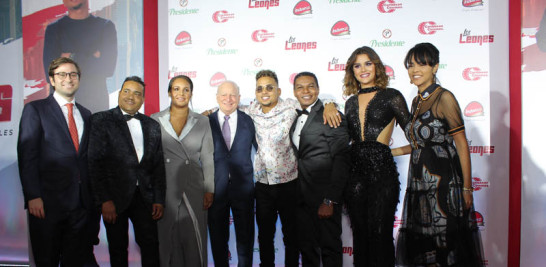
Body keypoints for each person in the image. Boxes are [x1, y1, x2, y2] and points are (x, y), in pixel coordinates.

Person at [393, 43, 484, 266]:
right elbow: (419, 144)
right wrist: (387, 152)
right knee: (425, 246)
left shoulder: (444, 98)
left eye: (422, 64)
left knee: (447, 244)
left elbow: (461, 144)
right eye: (411, 65)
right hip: (419, 184)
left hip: (444, 183)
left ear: (435, 67)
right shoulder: (416, 102)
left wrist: (467, 186)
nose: (415, 69)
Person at [17, 57, 96, 266]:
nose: (68, 79)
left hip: (80, 206)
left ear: (78, 79)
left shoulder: (86, 114)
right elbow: (28, 157)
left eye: (73, 74)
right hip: (47, 205)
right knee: (47, 260)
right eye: (61, 74)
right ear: (52, 80)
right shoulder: (35, 110)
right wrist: (33, 196)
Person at [342, 46, 411, 266]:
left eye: (368, 63)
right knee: (360, 235)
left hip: (382, 173)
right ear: (352, 70)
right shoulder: (350, 102)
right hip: (354, 175)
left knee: (380, 234)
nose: (363, 69)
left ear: (377, 66)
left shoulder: (392, 96)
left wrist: (387, 150)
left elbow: (416, 138)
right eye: (357, 65)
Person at [88, 76, 166, 267]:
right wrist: (104, 200)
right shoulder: (101, 120)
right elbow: (94, 163)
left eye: (137, 93)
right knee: (117, 248)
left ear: (143, 99)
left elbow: (158, 166)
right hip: (114, 198)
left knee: (150, 245)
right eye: (127, 91)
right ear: (119, 93)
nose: (131, 97)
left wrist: (158, 198)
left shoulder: (152, 125)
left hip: (145, 198)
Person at [151, 75, 214, 267]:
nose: (181, 93)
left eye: (186, 89)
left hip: (194, 186)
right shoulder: (155, 120)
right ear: (169, 92)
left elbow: (208, 157)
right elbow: (151, 160)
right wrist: (154, 194)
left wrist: (209, 189)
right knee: (168, 238)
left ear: (191, 93)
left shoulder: (202, 121)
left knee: (194, 238)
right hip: (166, 188)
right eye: (176, 89)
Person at [289, 72, 350, 267]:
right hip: (302, 197)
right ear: (294, 91)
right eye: (300, 87)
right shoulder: (295, 115)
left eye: (310, 86)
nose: (305, 91)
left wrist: (330, 199)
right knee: (307, 250)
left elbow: (342, 158)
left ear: (318, 89)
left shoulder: (331, 115)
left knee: (330, 249)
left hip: (325, 197)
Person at [208, 81, 256, 267]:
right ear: (217, 97)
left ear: (239, 97)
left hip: (243, 189)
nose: (228, 99)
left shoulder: (249, 120)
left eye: (233, 95)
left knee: (246, 239)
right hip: (215, 190)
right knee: (218, 239)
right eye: (224, 95)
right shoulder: (206, 122)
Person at [43, 0, 117, 112]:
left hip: (95, 107)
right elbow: (50, 73)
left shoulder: (105, 27)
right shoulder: (54, 29)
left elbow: (108, 68)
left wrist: (69, 57)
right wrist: (92, 57)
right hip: (62, 108)